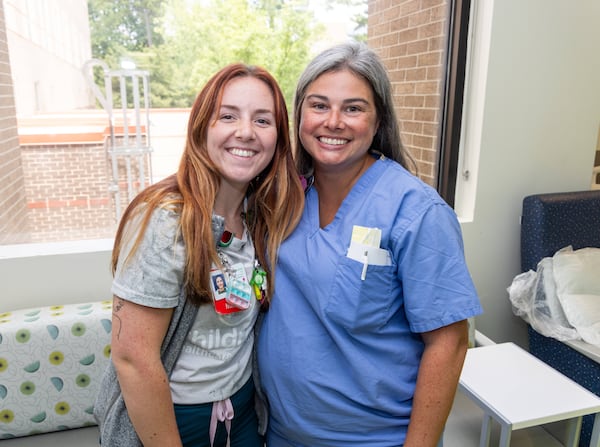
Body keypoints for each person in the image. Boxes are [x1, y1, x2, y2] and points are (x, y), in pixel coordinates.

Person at [256, 41, 483, 447]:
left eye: (354, 108)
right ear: (299, 115)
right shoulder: (284, 196)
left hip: (375, 439)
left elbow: (448, 343)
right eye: (319, 105)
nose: (334, 121)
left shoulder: (416, 211)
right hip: (280, 433)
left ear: (378, 121)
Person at [94, 63, 304, 447]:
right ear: (201, 127)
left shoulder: (260, 217)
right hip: (173, 421)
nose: (246, 132)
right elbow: (133, 360)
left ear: (278, 137)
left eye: (263, 120)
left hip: (241, 412)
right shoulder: (165, 218)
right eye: (228, 116)